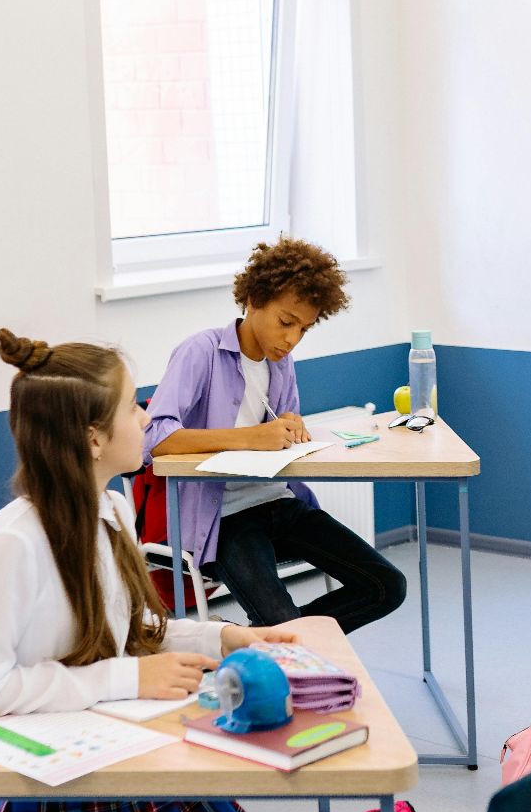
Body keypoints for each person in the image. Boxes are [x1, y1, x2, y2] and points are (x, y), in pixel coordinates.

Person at [0, 329, 308, 812]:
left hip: (118, 755)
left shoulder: (112, 509)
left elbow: (134, 626)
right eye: (132, 406)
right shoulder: (11, 545)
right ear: (91, 438)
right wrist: (125, 677)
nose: (147, 414)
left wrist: (222, 639)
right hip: (42, 794)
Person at [144, 237, 406, 633]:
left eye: (304, 328)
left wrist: (290, 425)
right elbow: (156, 438)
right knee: (282, 624)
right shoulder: (200, 352)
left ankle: (270, 640)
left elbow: (278, 428)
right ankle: (281, 639)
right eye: (286, 322)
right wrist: (252, 436)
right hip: (225, 518)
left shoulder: (281, 364)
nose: (292, 339)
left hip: (281, 504)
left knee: (387, 586)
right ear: (253, 299)